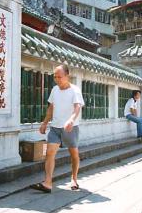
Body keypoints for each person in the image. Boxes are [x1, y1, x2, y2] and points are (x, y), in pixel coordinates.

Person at [30, 64, 84, 193]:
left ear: (67, 76)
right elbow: (51, 108)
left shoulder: (75, 90)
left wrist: (71, 120)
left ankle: (74, 179)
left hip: (70, 128)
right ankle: (48, 183)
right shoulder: (55, 89)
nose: (57, 79)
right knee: (49, 153)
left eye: (59, 77)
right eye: (55, 77)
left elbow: (77, 107)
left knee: (74, 154)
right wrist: (44, 123)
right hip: (55, 127)